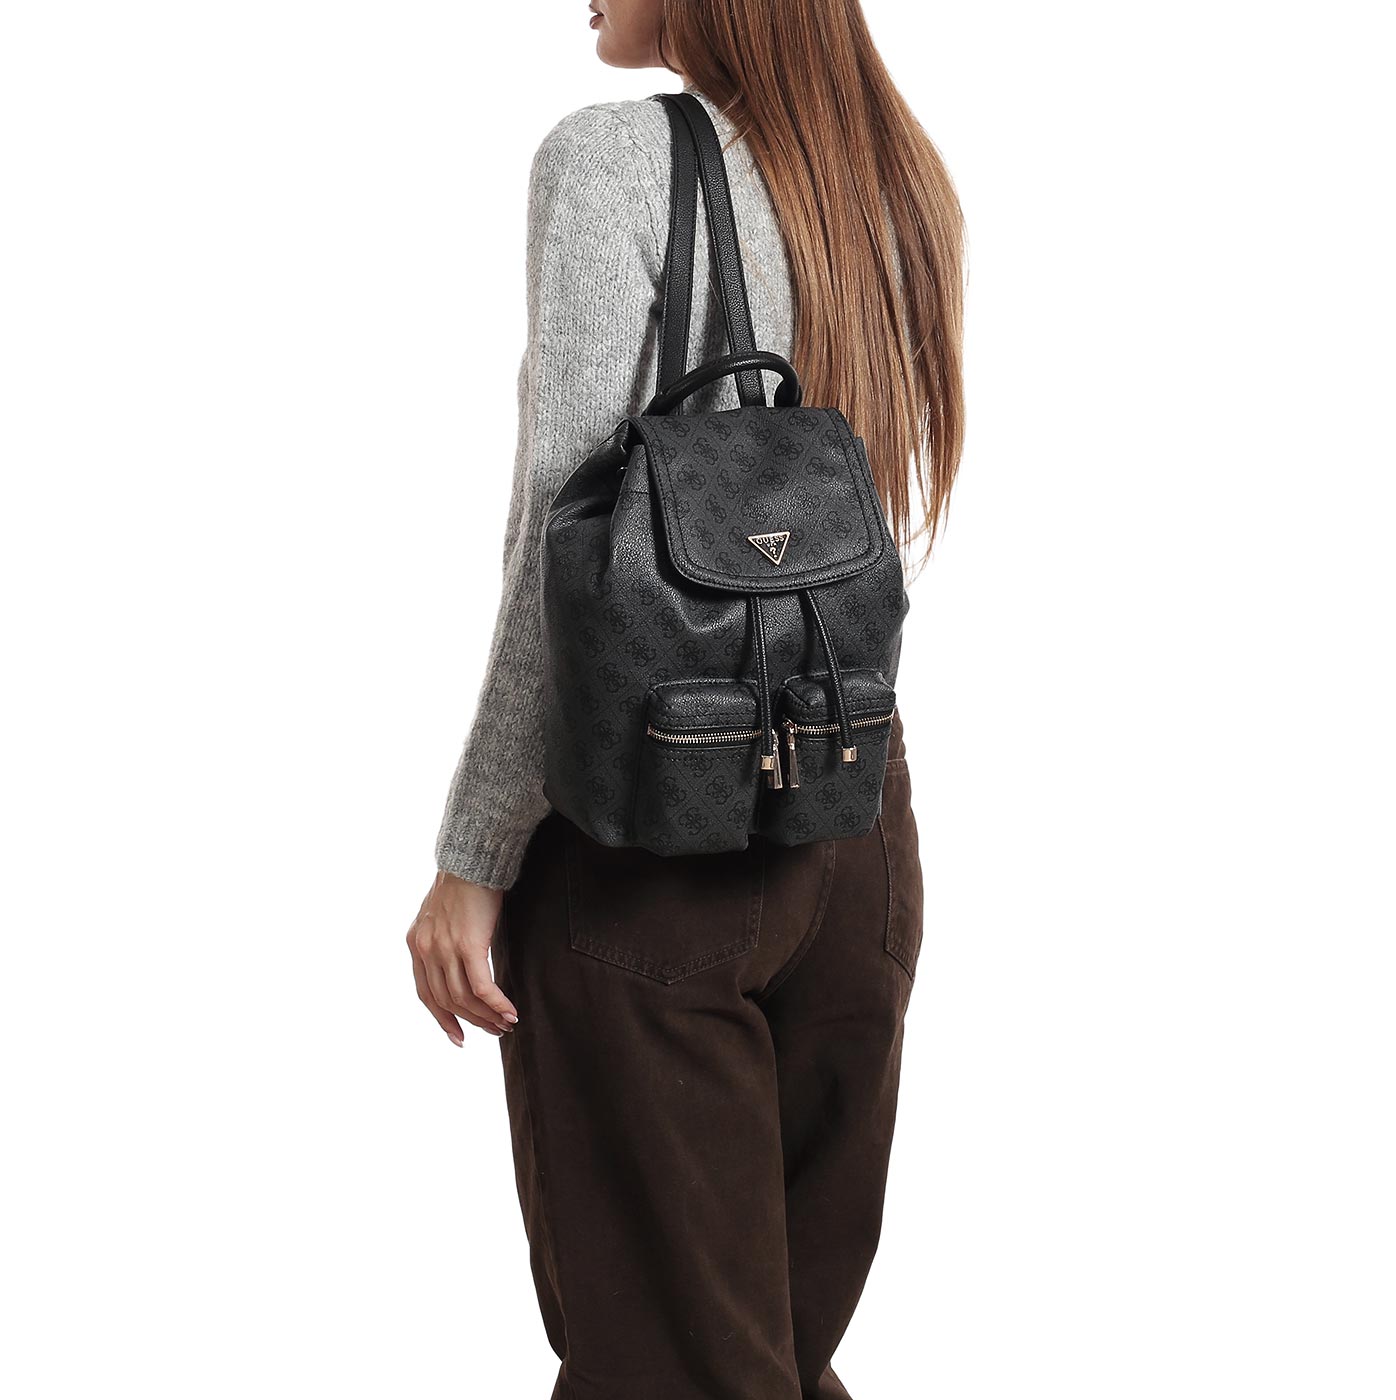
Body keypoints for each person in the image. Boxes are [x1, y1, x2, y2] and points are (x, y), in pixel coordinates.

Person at [405, 2, 964, 1394]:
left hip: (655, 834)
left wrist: (476, 853)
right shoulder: (895, 177)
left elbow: (562, 530)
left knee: (675, 1371)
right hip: (856, 818)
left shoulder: (612, 159)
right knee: (770, 1361)